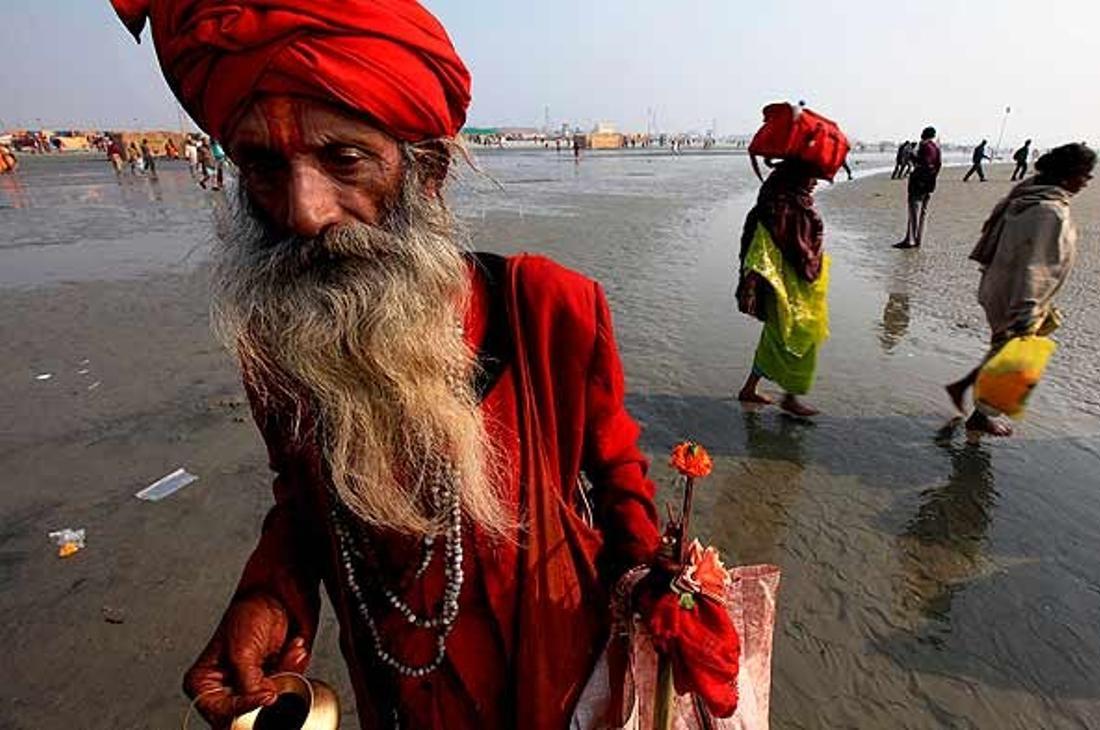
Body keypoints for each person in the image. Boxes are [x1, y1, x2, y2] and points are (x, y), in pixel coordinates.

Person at [109, 0, 739, 728]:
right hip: (395, 686)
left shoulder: (547, 307)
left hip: (560, 671)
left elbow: (618, 472)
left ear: (426, 169)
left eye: (344, 159)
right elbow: (303, 498)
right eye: (263, 165)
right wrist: (270, 593)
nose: (304, 210)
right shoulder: (280, 341)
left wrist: (653, 587)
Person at [945, 143, 1097, 437]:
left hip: (999, 285)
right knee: (1012, 359)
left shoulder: (1026, 194)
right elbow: (1035, 266)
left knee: (1002, 350)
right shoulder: (1048, 211)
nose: (1087, 182)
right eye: (1085, 175)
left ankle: (966, 393)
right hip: (1017, 294)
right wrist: (1026, 312)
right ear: (1068, 176)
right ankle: (980, 414)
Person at [736, 159, 830, 417]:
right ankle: (789, 397)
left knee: (780, 337)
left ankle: (753, 389)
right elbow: (761, 250)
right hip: (786, 289)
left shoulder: (793, 204)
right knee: (796, 337)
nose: (815, 183)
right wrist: (752, 285)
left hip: (800, 287)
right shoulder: (780, 210)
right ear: (796, 179)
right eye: (810, 177)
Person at [893, 126, 941, 249]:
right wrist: (932, 178)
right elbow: (938, 165)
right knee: (923, 213)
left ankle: (910, 240)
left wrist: (912, 156)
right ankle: (918, 240)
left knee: (914, 211)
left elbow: (923, 162)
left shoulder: (924, 146)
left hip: (919, 183)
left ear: (923, 134)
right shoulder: (936, 148)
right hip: (930, 183)